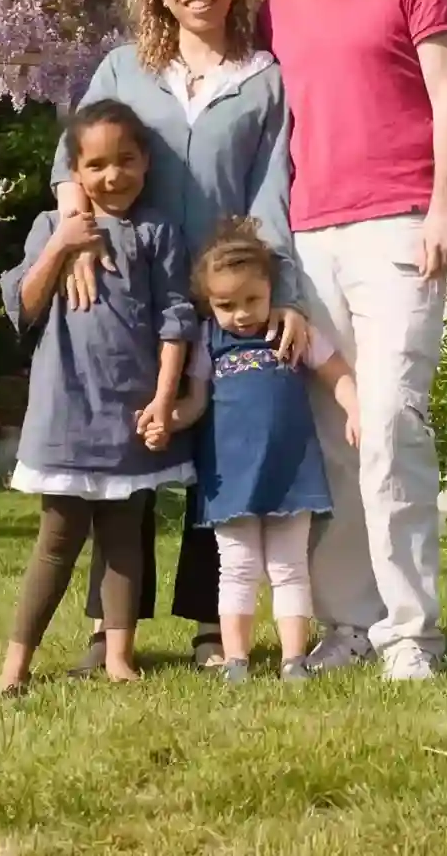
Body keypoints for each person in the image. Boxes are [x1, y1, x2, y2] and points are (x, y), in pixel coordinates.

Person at [51, 0, 311, 672]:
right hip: (135, 289)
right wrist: (76, 224)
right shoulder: (123, 70)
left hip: (230, 291)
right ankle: (111, 628)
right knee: (128, 452)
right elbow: (74, 161)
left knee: (221, 454)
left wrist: (280, 290)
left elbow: (273, 195)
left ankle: (210, 624)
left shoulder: (265, 77)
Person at [247, 0, 447, 683]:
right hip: (310, 238)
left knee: (389, 422)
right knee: (332, 438)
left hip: (401, 227)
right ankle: (352, 621)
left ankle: (413, 633)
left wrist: (444, 206)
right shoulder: (275, 8)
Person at [0, 100, 197, 697]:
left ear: (146, 162)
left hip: (130, 413)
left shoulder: (158, 234)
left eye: (126, 161)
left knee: (124, 539)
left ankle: (118, 656)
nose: (114, 176)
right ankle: (15, 666)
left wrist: (165, 400)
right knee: (56, 543)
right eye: (98, 165)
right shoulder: (47, 228)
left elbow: (175, 322)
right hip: (66, 411)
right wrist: (62, 244)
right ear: (76, 172)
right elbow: (24, 307)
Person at [169, 218, 359, 684]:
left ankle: (293, 660)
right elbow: (195, 401)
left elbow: (336, 373)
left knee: (288, 567)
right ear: (208, 303)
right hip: (229, 476)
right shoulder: (208, 342)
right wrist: (169, 418)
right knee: (236, 568)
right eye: (225, 305)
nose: (240, 314)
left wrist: (355, 409)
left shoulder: (292, 332)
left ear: (271, 287)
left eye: (252, 299)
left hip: (289, 471)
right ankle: (236, 660)